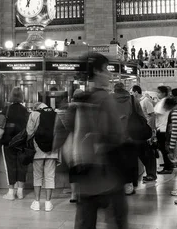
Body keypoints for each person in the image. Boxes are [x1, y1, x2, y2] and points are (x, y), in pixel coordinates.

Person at [55, 53, 128, 229]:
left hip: (84, 172)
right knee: (118, 217)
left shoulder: (79, 99)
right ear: (97, 71)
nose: (109, 75)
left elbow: (63, 130)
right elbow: (117, 134)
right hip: (106, 172)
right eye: (105, 70)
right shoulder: (104, 98)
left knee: (85, 220)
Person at [112, 82, 145, 195]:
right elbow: (141, 116)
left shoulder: (109, 101)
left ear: (114, 90)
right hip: (130, 136)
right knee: (130, 160)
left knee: (116, 161)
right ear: (124, 89)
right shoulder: (132, 99)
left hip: (114, 136)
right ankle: (129, 186)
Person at [0, 87, 30, 200]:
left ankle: (11, 193)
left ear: (11, 96)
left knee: (10, 166)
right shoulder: (25, 110)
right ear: (22, 96)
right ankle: (21, 192)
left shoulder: (6, 109)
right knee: (22, 166)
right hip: (22, 142)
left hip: (8, 141)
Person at [27, 102, 58, 211]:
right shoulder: (56, 114)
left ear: (37, 108)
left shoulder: (34, 114)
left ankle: (36, 202)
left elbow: (29, 132)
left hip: (37, 149)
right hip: (53, 150)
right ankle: (48, 203)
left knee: (37, 175)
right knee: (50, 175)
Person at [131, 85, 157, 182]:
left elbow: (152, 115)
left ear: (136, 92)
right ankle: (149, 173)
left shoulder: (146, 101)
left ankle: (151, 174)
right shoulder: (136, 102)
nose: (132, 94)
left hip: (146, 131)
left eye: (132, 92)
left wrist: (151, 130)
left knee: (148, 153)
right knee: (143, 153)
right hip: (140, 131)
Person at [154, 86, 174, 174]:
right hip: (167, 128)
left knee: (163, 149)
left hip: (162, 128)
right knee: (165, 149)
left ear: (163, 93)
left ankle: (168, 167)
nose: (157, 94)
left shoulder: (163, 102)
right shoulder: (168, 101)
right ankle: (169, 165)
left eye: (158, 92)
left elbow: (156, 113)